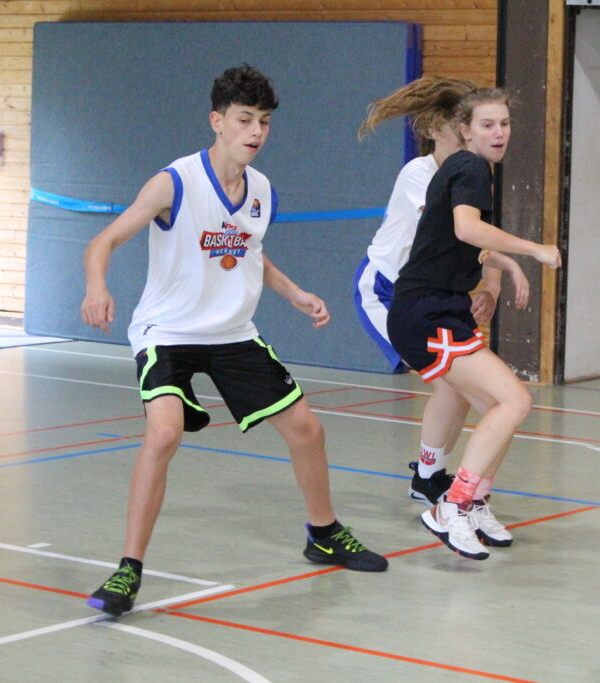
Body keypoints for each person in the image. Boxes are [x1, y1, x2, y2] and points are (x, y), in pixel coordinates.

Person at [80, 65, 387, 617]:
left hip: (231, 333)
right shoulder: (174, 182)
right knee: (165, 433)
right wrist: (97, 286)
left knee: (308, 430)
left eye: (264, 121)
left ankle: (323, 534)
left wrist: (294, 293)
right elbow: (102, 241)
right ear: (217, 121)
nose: (256, 131)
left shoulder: (261, 189)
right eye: (245, 119)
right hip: (167, 332)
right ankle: (129, 568)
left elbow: (250, 251)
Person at [387, 88, 561, 561]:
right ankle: (452, 506)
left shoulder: (463, 169)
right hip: (425, 311)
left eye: (504, 123)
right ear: (465, 131)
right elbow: (467, 228)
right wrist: (533, 250)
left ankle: (475, 501)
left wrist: (505, 267)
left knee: (497, 409)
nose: (499, 132)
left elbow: (459, 240)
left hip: (442, 308)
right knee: (515, 400)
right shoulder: (469, 167)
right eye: (488, 125)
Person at [353, 76, 529, 508]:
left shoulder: (471, 174)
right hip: (388, 290)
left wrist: (492, 285)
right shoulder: (421, 174)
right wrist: (517, 260)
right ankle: (447, 487)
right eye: (462, 132)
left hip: (432, 296)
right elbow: (461, 232)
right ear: (441, 130)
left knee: (458, 386)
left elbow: (477, 238)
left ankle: (430, 476)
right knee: (468, 388)